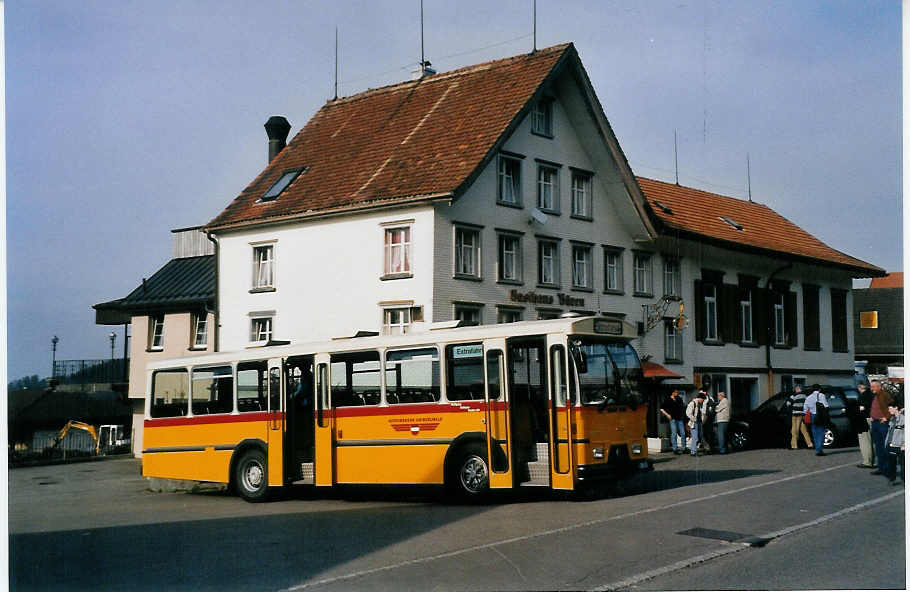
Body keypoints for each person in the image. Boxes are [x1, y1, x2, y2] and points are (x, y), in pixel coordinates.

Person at [868, 380, 894, 476]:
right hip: (875, 423)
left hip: (882, 424)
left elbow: (893, 406)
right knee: (878, 446)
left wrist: (886, 417)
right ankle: (881, 467)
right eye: (871, 387)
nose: (872, 388)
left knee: (885, 446)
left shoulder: (884, 395)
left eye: (874, 386)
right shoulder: (875, 396)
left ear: (879, 387)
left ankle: (888, 468)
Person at [803, 384, 830, 456]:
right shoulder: (822, 395)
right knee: (821, 431)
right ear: (819, 389)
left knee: (815, 432)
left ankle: (817, 449)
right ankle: (820, 449)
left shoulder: (808, 397)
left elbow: (805, 409)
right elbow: (826, 405)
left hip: (813, 415)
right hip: (820, 415)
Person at [660, 389, 687, 454]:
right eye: (675, 392)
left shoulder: (679, 399)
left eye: (677, 392)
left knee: (683, 433)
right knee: (674, 434)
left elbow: (682, 407)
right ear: (672, 393)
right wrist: (667, 415)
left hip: (680, 418)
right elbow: (661, 408)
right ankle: (675, 449)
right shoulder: (668, 400)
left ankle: (684, 448)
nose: (677, 393)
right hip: (673, 419)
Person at [855, 382, 875, 468]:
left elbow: (861, 410)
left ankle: (867, 461)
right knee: (872, 441)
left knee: (865, 442)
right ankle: (873, 460)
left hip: (864, 420)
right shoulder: (873, 395)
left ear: (859, 388)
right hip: (874, 419)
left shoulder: (862, 397)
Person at [787, 384, 812, 450]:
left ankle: (794, 446)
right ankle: (809, 444)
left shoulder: (793, 396)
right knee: (803, 430)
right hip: (802, 414)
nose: (795, 389)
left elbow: (788, 404)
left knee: (794, 430)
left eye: (796, 388)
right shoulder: (805, 396)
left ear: (798, 389)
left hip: (795, 414)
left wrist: (791, 407)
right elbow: (808, 404)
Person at [885, 403, 904, 485]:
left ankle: (904, 480)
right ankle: (892, 479)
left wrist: (904, 444)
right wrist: (887, 443)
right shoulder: (892, 419)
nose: (889, 411)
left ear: (896, 407)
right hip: (891, 445)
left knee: (903, 465)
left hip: (900, 446)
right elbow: (890, 432)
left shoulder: (903, 419)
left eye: (890, 409)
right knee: (891, 464)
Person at [686, 391, 707, 456]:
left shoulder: (699, 404)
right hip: (694, 423)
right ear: (700, 398)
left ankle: (698, 449)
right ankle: (693, 452)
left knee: (700, 437)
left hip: (699, 422)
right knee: (695, 437)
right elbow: (688, 413)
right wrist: (694, 419)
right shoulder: (692, 403)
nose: (703, 401)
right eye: (703, 400)